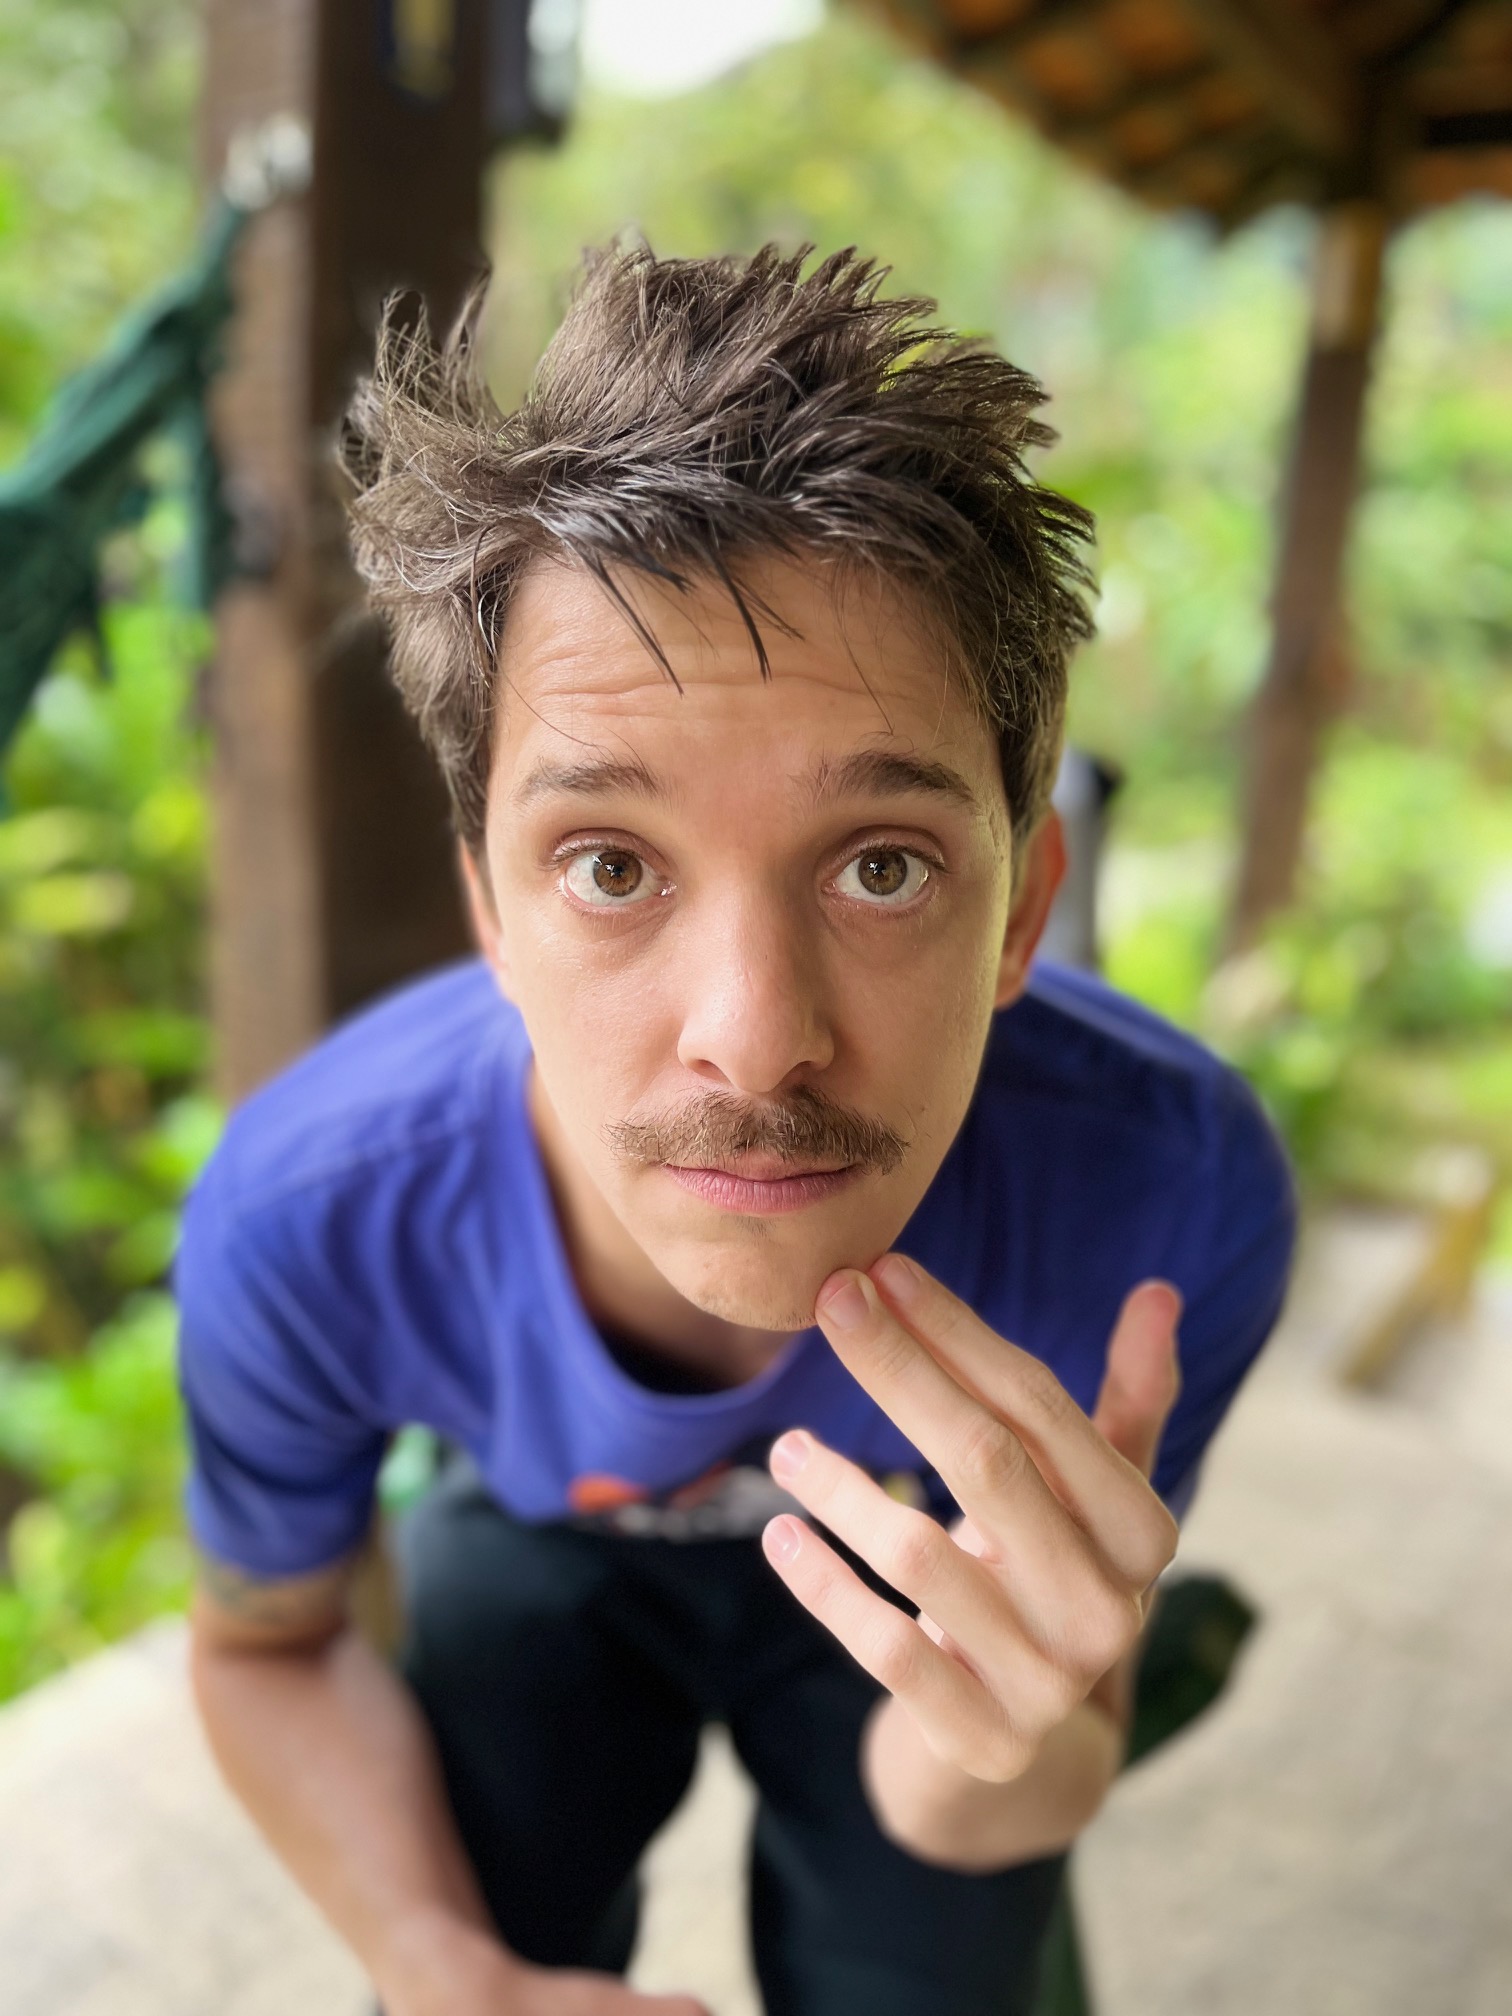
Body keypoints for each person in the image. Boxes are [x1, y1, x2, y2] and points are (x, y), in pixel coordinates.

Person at [175, 243, 1297, 2016]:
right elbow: (264, 1646)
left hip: (921, 1537)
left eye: (882, 866)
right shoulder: (313, 1213)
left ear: (1021, 914)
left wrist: (999, 1744)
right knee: (485, 1825)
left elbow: (1047, 1750)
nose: (756, 1039)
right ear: (491, 912)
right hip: (548, 1538)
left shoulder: (1171, 1193)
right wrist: (434, 1964)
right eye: (611, 866)